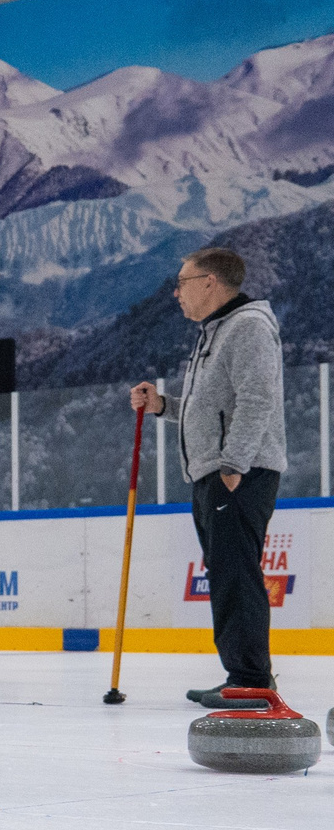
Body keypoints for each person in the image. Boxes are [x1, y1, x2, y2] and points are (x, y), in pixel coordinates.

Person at [129, 245, 286, 707]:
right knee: (226, 574)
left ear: (210, 282)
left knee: (236, 574)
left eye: (182, 283)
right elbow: (209, 409)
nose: (176, 292)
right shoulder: (216, 331)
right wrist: (162, 406)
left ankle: (252, 680)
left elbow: (257, 400)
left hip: (237, 472)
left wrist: (233, 465)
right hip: (215, 471)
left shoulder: (248, 327)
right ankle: (243, 674)